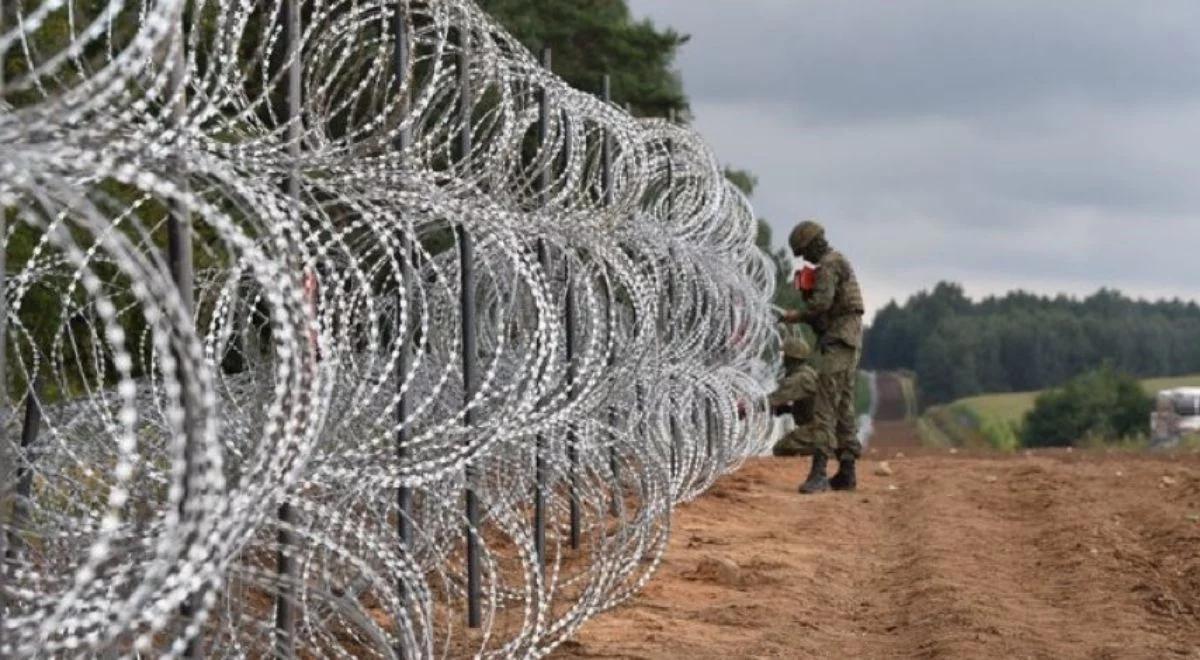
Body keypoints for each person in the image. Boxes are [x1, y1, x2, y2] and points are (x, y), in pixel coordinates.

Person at [778, 220, 865, 493]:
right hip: (848, 337)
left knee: (826, 405)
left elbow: (822, 304)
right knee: (843, 405)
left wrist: (797, 314)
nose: (807, 259)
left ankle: (819, 473)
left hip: (839, 338)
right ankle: (847, 472)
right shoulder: (837, 261)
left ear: (814, 244)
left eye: (805, 252)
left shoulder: (828, 264)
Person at [769, 336, 821, 457]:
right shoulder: (807, 373)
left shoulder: (800, 378)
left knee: (782, 448)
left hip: (820, 429)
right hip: (823, 426)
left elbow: (773, 399)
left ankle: (826, 450)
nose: (782, 361)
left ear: (790, 359)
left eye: (784, 357)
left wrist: (747, 407)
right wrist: (787, 410)